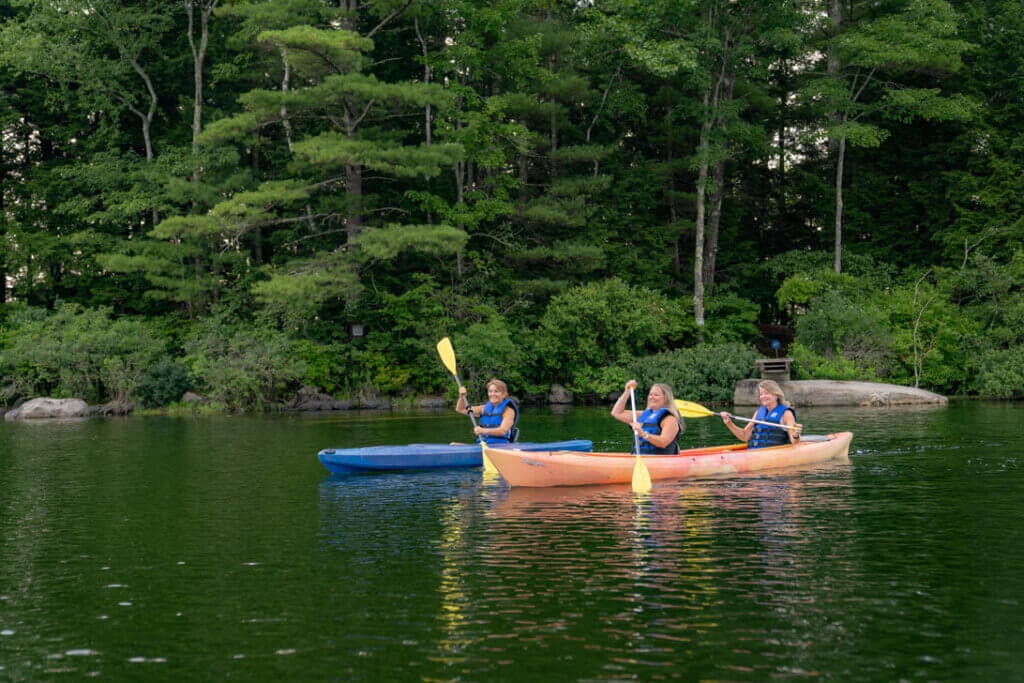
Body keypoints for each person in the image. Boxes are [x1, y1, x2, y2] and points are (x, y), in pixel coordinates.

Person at [720, 379, 803, 448]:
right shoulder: (758, 413)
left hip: (775, 454)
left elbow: (795, 442)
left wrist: (796, 435)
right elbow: (745, 436)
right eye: (761, 394)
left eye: (766, 393)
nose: (763, 397)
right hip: (754, 453)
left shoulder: (786, 413)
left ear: (776, 395)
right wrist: (729, 423)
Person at [611, 379, 684, 454]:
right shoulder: (644, 415)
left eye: (656, 395)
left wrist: (643, 434)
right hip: (639, 458)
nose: (652, 397)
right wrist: (627, 392)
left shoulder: (669, 419)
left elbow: (663, 442)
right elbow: (616, 413)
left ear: (665, 398)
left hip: (661, 460)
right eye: (650, 394)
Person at [456, 378, 520, 444]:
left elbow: (502, 431)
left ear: (503, 394)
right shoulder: (483, 409)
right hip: (482, 445)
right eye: (490, 391)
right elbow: (460, 409)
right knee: (454, 445)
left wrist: (483, 430)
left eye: (496, 391)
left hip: (501, 446)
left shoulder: (508, 411)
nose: (492, 394)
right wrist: (461, 397)